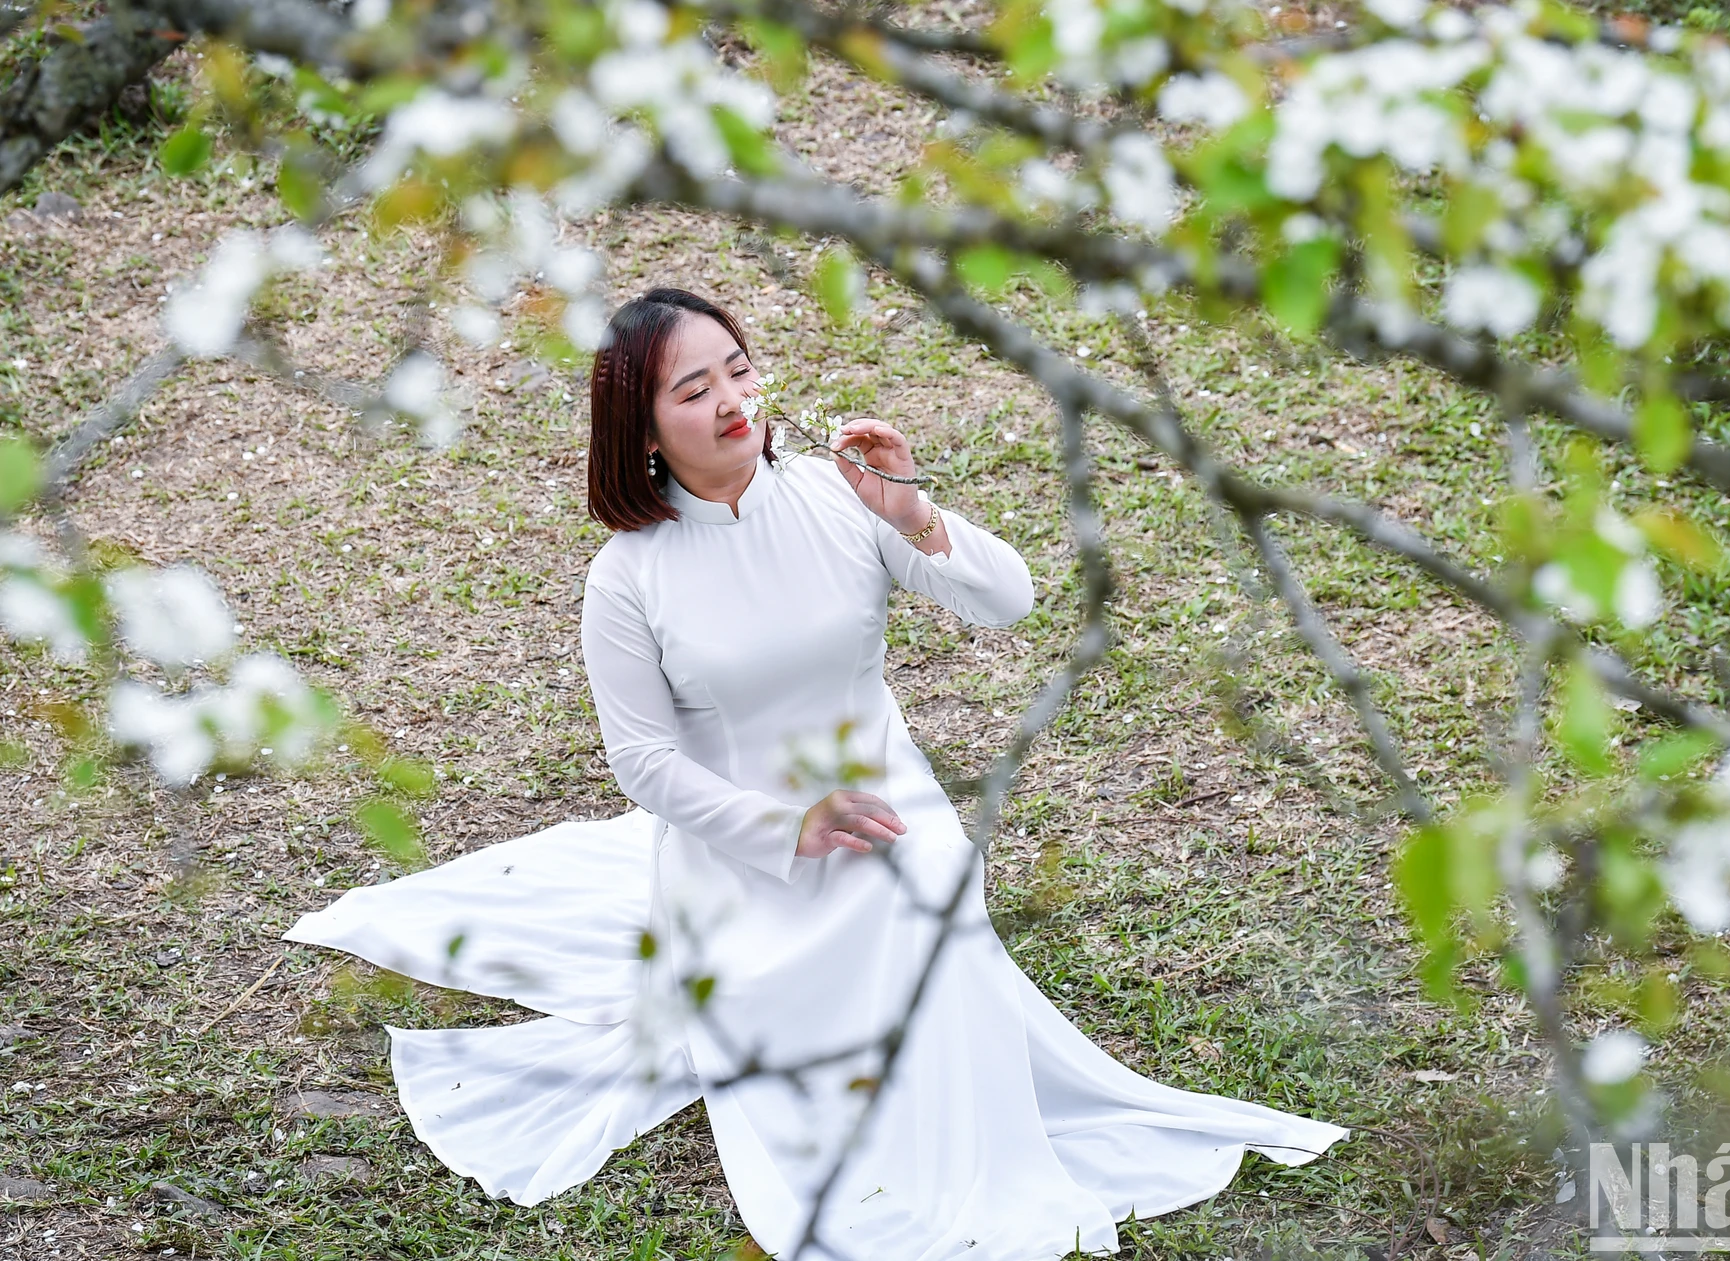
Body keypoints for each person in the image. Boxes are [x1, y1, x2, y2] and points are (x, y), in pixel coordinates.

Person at [285, 286, 1346, 1259]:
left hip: (886, 812)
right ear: (642, 428)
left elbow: (1008, 601)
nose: (732, 401)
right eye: (693, 390)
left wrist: (911, 511)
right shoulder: (628, 578)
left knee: (925, 899)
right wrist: (786, 825)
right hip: (742, 859)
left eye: (739, 369)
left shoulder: (838, 498)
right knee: (817, 1090)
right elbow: (643, 762)